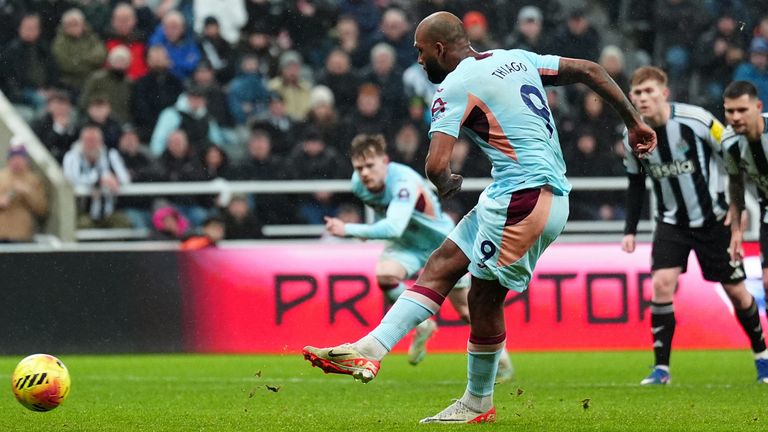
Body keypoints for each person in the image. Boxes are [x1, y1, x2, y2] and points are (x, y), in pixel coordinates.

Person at [303, 11, 656, 424]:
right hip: (518, 192)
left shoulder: (454, 86)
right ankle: (369, 350)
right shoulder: (517, 58)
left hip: (525, 199)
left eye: (420, 51)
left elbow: (435, 166)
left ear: (439, 49)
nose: (417, 60)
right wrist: (633, 122)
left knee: (483, 297)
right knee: (443, 264)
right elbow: (591, 70)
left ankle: (477, 402)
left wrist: (447, 182)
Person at [322, 133, 513, 377]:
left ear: (385, 161)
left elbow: (393, 226)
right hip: (407, 244)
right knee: (385, 275)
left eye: (370, 166)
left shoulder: (403, 182)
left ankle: (501, 360)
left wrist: (347, 229)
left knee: (467, 310)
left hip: (440, 244)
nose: (364, 173)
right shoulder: (359, 185)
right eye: (359, 168)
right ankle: (423, 324)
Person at [621, 67, 767, 386]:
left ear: (664, 93)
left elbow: (731, 150)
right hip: (671, 221)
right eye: (637, 93)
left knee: (738, 293)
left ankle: (762, 357)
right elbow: (634, 181)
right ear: (631, 97)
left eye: (649, 91)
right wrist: (629, 229)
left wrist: (736, 206)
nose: (643, 98)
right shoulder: (632, 133)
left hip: (713, 219)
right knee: (662, 284)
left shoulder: (696, 119)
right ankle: (661, 369)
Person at [721, 80, 768, 384]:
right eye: (729, 111)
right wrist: (736, 228)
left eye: (741, 110)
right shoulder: (730, 142)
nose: (735, 117)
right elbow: (736, 184)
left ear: (758, 108)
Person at [0, 142, 48, 242]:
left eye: (20, 158)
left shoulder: (34, 180)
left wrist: (27, 192)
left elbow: (42, 209)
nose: (16, 161)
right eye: (13, 158)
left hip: (22, 236)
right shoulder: (1, 177)